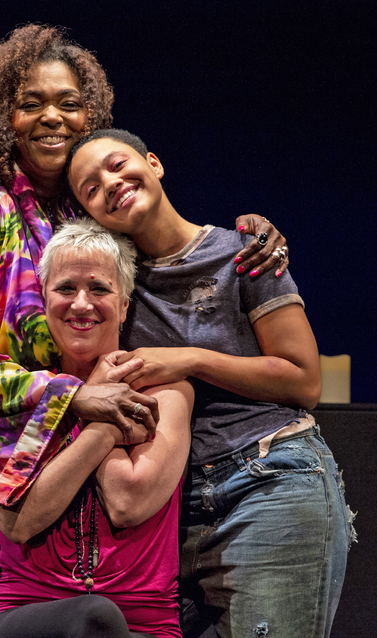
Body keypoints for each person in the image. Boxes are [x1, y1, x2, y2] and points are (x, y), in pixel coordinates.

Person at [0, 25, 290, 638]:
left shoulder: (86, 211)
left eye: (69, 103)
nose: (51, 116)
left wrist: (251, 233)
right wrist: (78, 398)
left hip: (26, 447)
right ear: (4, 117)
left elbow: (169, 244)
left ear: (92, 118)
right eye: (31, 103)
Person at [65, 128, 356, 638]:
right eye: (90, 188)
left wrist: (191, 359)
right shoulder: (112, 285)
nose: (109, 184)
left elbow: (304, 379)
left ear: (153, 163)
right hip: (173, 510)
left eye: (116, 165)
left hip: (269, 477)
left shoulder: (243, 252)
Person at [0, 219, 193, 638]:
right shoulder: (16, 395)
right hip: (27, 611)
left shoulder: (167, 391)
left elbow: (127, 500)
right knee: (94, 618)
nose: (81, 304)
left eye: (99, 289)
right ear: (43, 300)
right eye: (65, 289)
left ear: (126, 304)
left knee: (99, 621)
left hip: (146, 624)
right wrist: (100, 411)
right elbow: (19, 522)